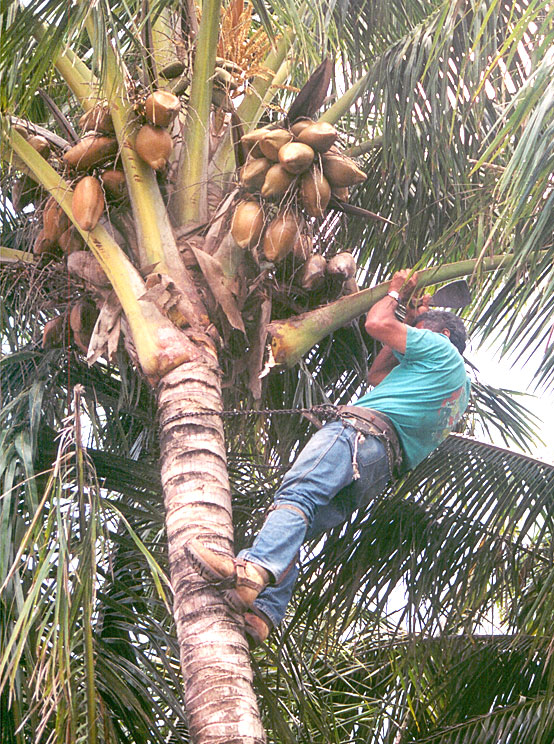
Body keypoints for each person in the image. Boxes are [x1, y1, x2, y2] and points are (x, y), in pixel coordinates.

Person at [185, 270, 471, 646]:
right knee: (298, 525)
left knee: (295, 497)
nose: (410, 334)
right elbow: (376, 373)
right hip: (376, 469)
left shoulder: (440, 348)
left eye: (418, 329)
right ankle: (263, 614)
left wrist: (397, 293)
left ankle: (253, 570)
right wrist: (408, 319)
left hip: (356, 437)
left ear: (443, 335)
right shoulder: (456, 390)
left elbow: (376, 322)